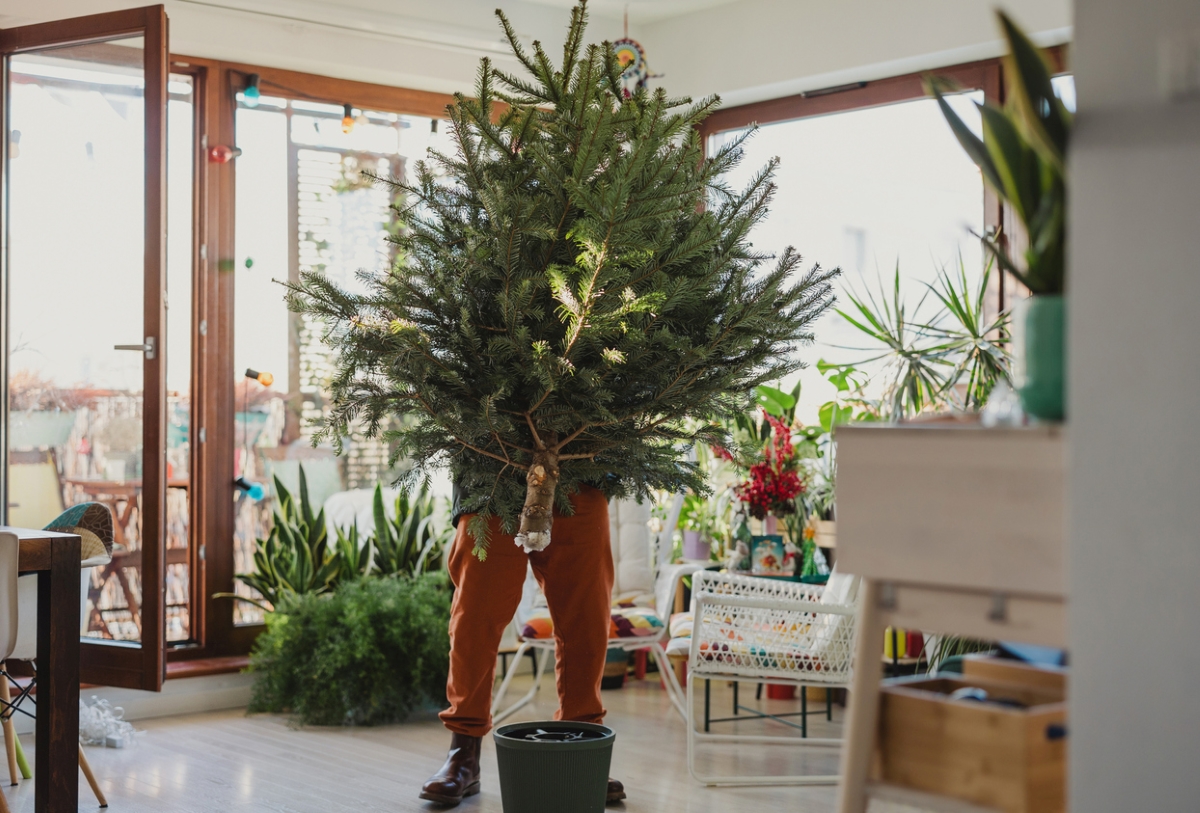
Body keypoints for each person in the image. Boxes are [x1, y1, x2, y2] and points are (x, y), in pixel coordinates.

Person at [420, 484, 626, 806]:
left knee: (586, 618)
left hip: (583, 466)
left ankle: (583, 747)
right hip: (490, 467)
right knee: (475, 616)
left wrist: (604, 470)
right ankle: (464, 752)